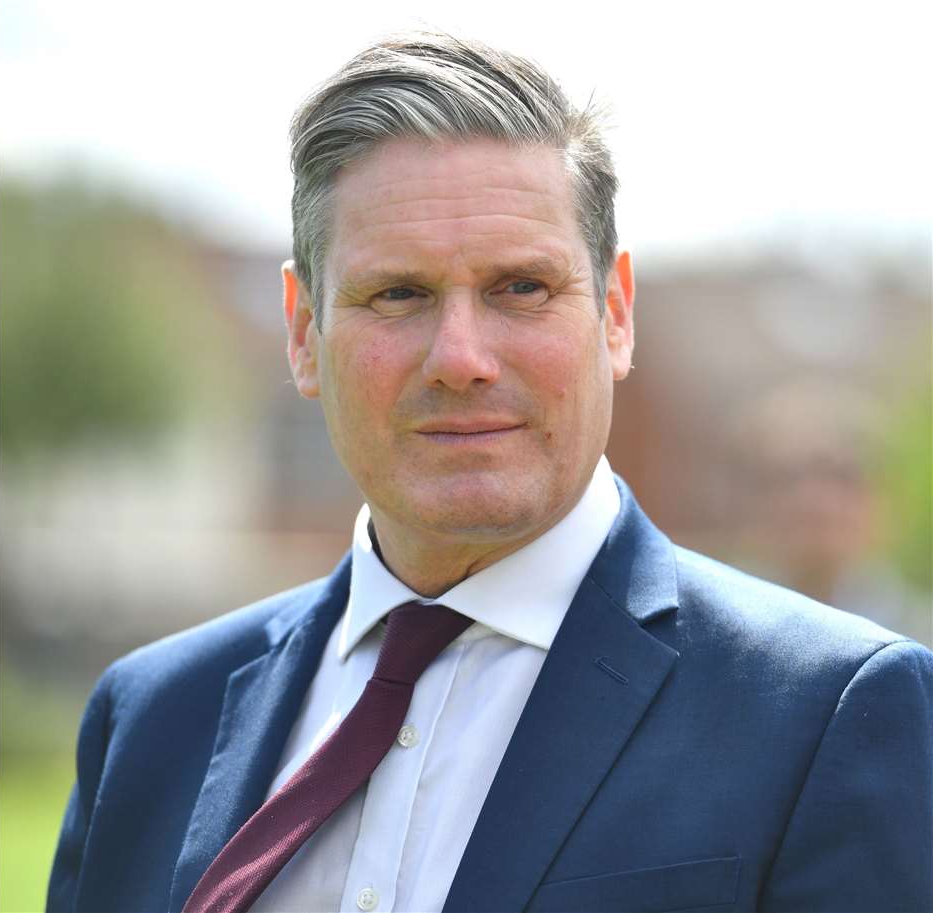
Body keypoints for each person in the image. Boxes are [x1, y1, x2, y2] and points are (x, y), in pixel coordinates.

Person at [46, 32, 931, 913]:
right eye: (398, 293)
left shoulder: (828, 715)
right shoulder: (152, 719)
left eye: (521, 288)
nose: (460, 357)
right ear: (302, 332)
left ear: (615, 316)